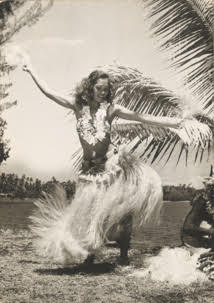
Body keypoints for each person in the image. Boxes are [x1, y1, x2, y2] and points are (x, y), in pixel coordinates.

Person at [23, 61, 183, 265]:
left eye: (106, 90)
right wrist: (32, 71)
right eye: (99, 88)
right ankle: (89, 255)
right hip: (88, 172)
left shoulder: (111, 110)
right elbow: (49, 93)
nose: (103, 93)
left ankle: (123, 254)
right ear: (90, 87)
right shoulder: (78, 106)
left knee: (120, 213)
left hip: (109, 169)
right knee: (90, 213)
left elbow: (142, 117)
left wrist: (174, 123)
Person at [181, 176, 214, 279]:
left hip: (204, 240)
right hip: (193, 241)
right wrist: (210, 231)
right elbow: (187, 227)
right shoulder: (202, 202)